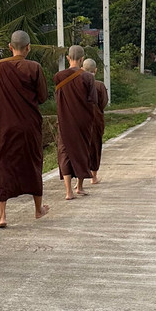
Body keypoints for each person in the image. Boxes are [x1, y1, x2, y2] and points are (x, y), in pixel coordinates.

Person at [0, 30, 50, 228]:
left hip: (4, 125)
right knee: (33, 163)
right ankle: (38, 210)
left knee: (2, 165)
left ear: (10, 47)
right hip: (28, 125)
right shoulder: (34, 67)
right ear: (28, 47)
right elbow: (42, 96)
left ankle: (2, 216)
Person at [54, 44, 98, 200]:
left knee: (64, 152)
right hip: (83, 122)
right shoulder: (88, 77)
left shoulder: (59, 76)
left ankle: (68, 192)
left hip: (65, 121)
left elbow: (57, 99)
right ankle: (79, 187)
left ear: (68, 58)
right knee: (82, 151)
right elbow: (93, 100)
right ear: (82, 59)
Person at [81, 58, 108, 185]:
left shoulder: (78, 83)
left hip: (81, 120)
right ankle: (94, 176)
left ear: (82, 69)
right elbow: (103, 103)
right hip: (96, 119)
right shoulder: (99, 85)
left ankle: (79, 179)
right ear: (95, 70)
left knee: (82, 147)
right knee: (96, 146)